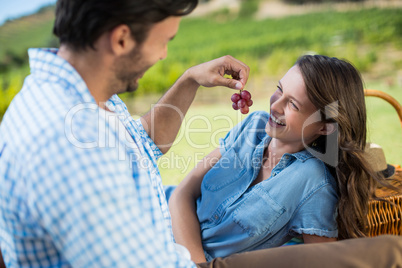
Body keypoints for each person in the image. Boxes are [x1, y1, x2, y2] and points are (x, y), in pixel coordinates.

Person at [0, 0, 401, 267]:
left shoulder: (79, 102)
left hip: (184, 243)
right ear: (121, 39)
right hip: (184, 254)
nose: (164, 56)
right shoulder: (71, 153)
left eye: (293, 103)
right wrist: (198, 259)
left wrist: (190, 80)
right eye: (166, 41)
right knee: (391, 253)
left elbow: (143, 143)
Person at [167, 55, 401, 263]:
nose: (275, 105)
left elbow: (324, 261)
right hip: (161, 223)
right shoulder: (253, 126)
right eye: (280, 89)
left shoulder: (313, 183)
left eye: (293, 104)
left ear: (324, 127)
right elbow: (182, 193)